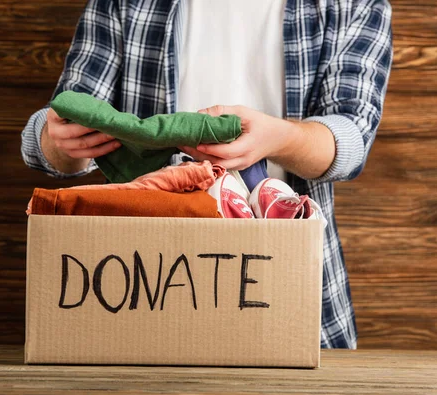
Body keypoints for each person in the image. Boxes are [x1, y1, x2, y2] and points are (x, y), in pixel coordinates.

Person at [21, 0, 393, 349]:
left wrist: (280, 138)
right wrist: (60, 139)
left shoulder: (353, 3)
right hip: (140, 280)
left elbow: (350, 141)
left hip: (289, 277)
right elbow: (56, 139)